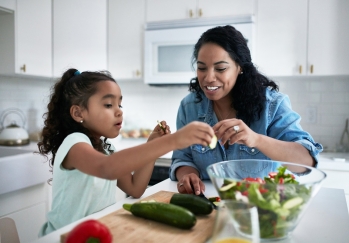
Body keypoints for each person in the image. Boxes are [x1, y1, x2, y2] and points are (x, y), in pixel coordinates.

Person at [37, 68, 215, 236]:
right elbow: (106, 168)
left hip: (95, 233)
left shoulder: (107, 149)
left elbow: (135, 188)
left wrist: (152, 144)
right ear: (78, 113)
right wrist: (174, 140)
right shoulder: (75, 143)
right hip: (61, 237)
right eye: (108, 105)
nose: (119, 112)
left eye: (120, 105)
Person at [169, 25, 323, 195]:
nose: (209, 78)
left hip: (261, 208)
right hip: (207, 206)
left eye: (220, 68)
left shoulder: (272, 105)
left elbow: (307, 161)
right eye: (202, 68)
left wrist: (256, 139)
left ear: (240, 67)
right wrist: (189, 175)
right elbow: (182, 158)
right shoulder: (189, 107)